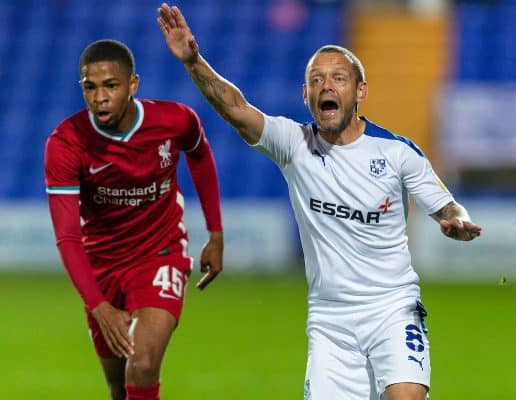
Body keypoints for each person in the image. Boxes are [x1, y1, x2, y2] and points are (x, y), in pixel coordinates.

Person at [157, 4, 482, 399]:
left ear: (360, 91)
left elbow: (446, 205)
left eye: (339, 78)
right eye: (317, 79)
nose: (327, 86)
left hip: (393, 308)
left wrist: (455, 220)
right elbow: (236, 108)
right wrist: (193, 61)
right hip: (331, 320)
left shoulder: (398, 153)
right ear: (305, 94)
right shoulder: (294, 144)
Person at [44, 39, 224, 400]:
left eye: (110, 85)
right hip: (102, 266)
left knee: (141, 365)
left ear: (133, 85)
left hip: (160, 253)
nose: (100, 98)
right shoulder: (65, 143)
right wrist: (99, 305)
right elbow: (67, 237)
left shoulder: (174, 121)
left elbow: (199, 155)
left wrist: (215, 233)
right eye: (90, 87)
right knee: (119, 387)